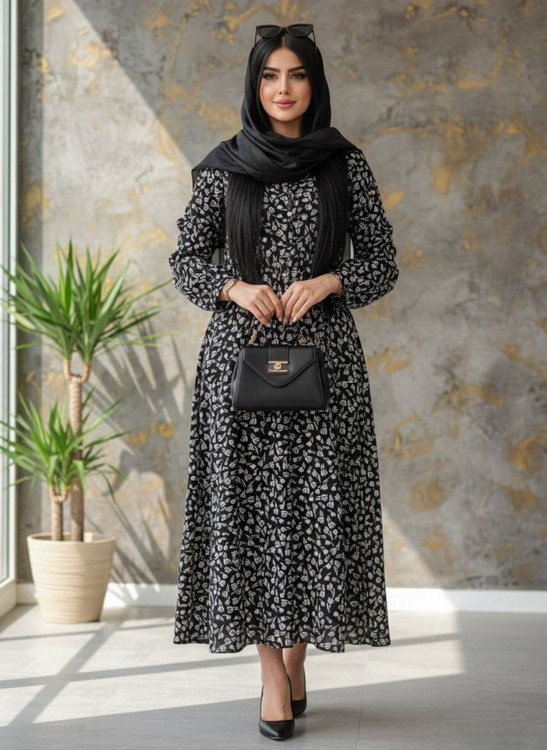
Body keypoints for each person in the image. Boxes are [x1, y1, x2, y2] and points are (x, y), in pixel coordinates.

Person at [169, 23, 399, 741]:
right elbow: (185, 259)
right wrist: (235, 288)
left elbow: (383, 262)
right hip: (237, 367)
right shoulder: (224, 167)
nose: (283, 88)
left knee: (316, 515)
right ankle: (273, 675)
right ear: (254, 85)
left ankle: (298, 659)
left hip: (324, 363)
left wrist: (330, 280)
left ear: (314, 83)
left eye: (297, 74)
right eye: (270, 75)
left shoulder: (344, 166)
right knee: (250, 519)